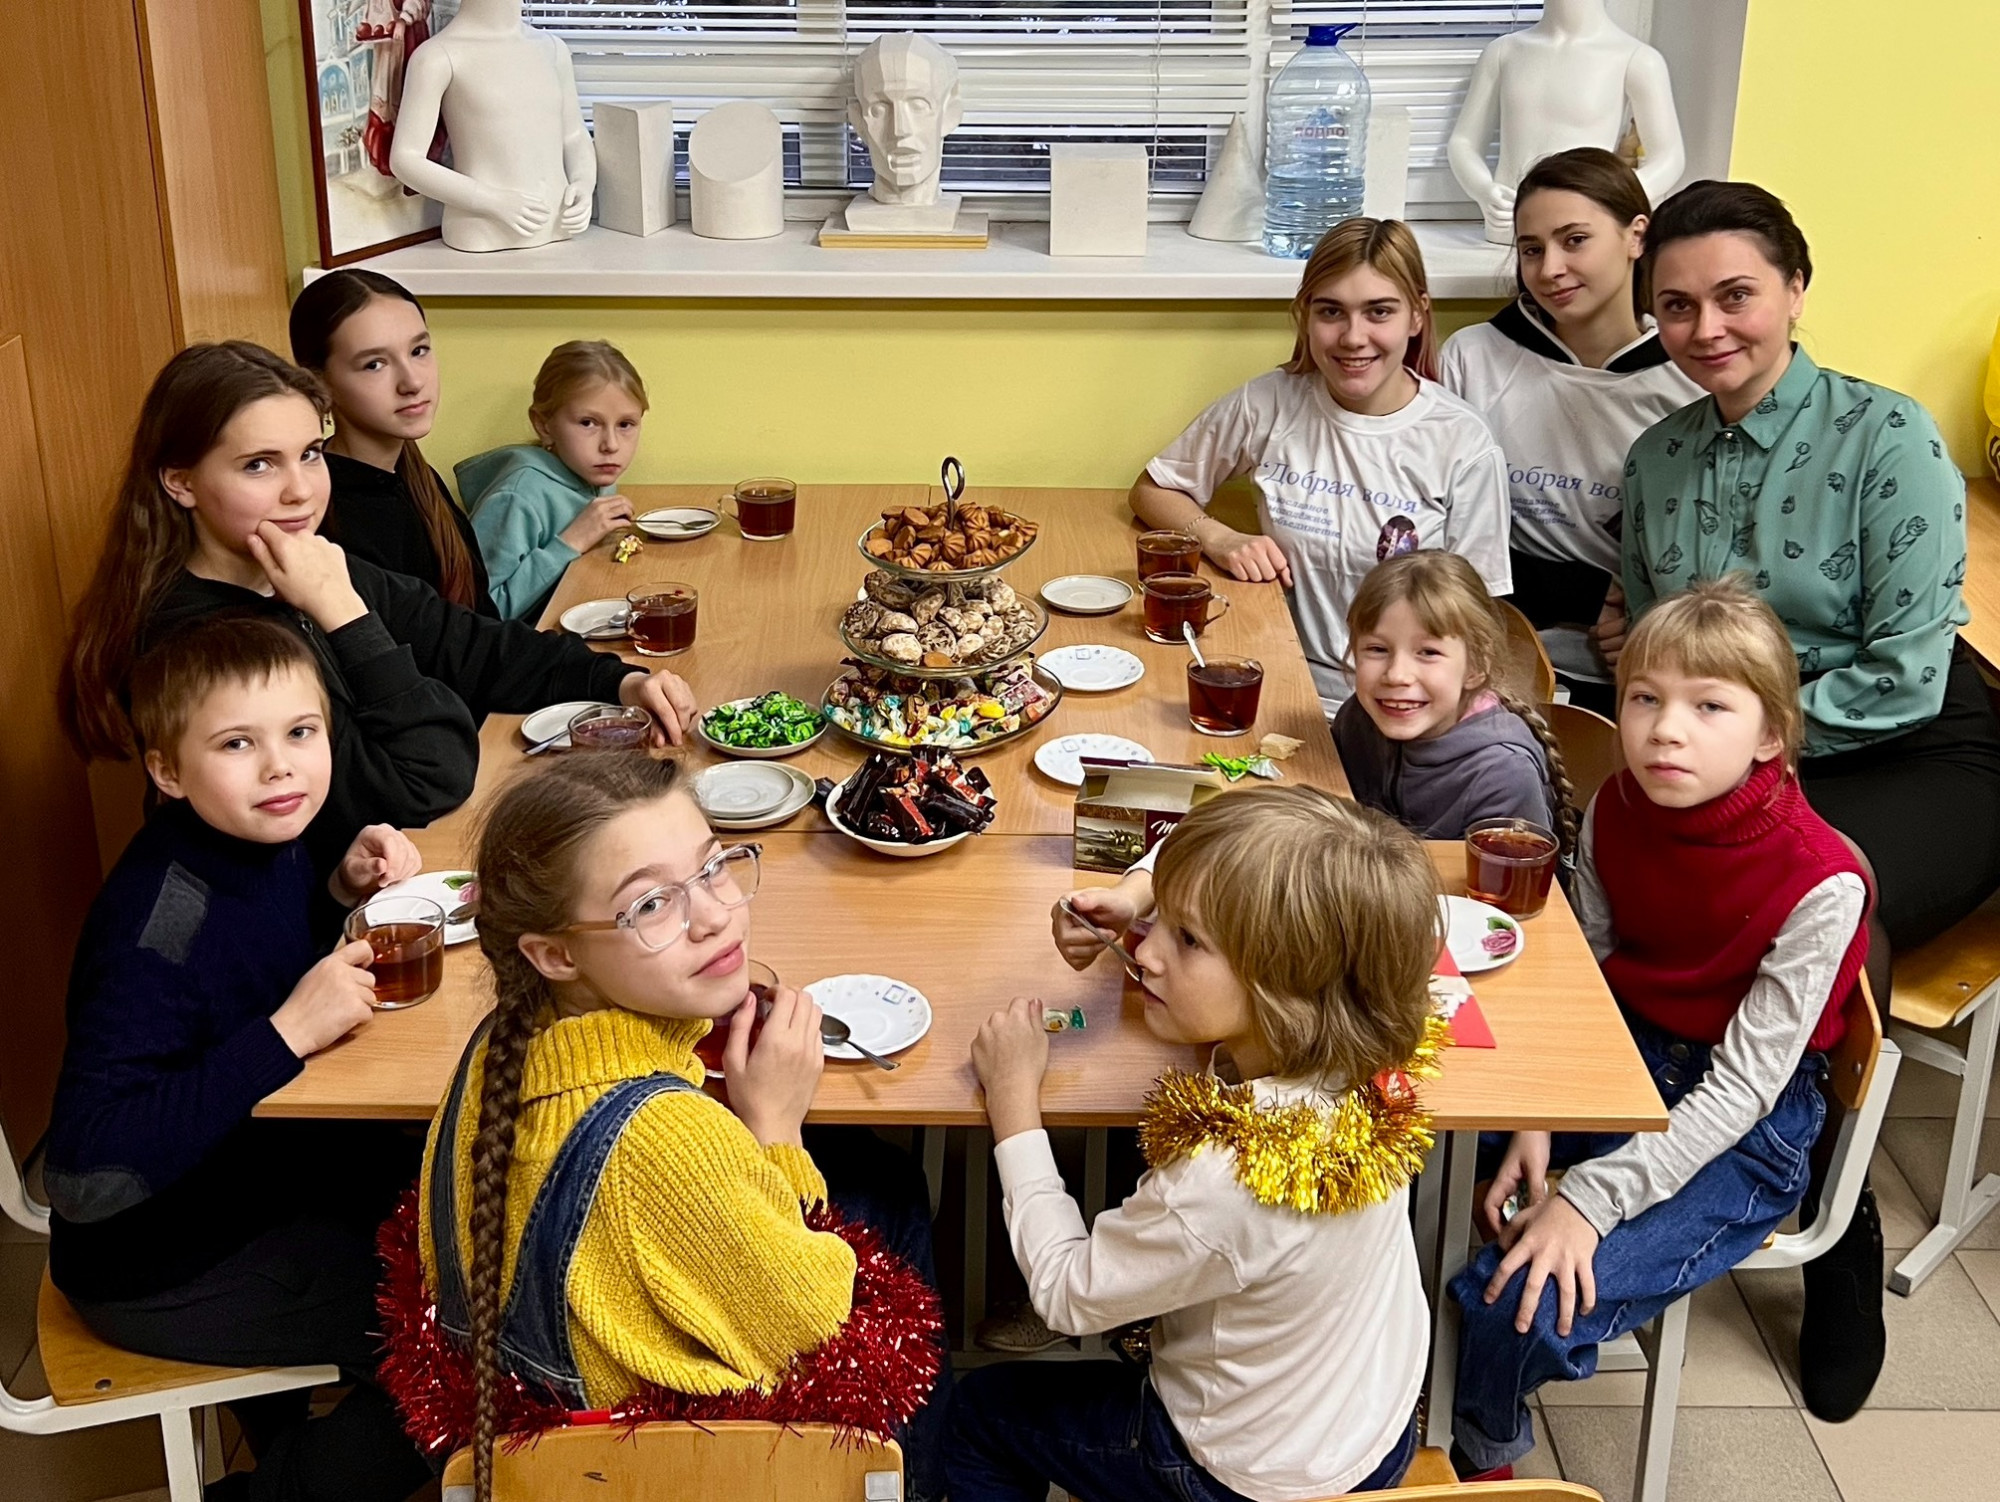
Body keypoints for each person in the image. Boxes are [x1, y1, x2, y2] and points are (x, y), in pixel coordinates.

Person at [393, 752, 948, 1502]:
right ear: (554, 953)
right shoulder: (666, 1147)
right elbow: (822, 1332)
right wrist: (777, 1131)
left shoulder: (497, 1047)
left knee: (878, 1176)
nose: (714, 916)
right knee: (895, 1193)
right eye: (652, 904)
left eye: (713, 868)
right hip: (688, 1474)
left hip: (538, 1445)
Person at [1447, 579, 1870, 1477]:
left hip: (1747, 1125)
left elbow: (1741, 1093)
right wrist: (1537, 1115)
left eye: (1708, 706)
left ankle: (1478, 1455)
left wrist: (1588, 1200)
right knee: (1414, 1139)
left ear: (1770, 734)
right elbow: (1585, 976)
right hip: (1621, 1047)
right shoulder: (1617, 806)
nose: (1665, 730)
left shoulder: (1823, 882)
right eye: (1645, 698)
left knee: (1515, 1301)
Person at [950, 787, 1442, 1501]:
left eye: (1187, 939)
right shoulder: (1365, 1048)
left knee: (978, 1414)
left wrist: (1014, 1103)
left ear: (1282, 987)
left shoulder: (1226, 1180)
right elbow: (1216, 850)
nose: (1144, 949)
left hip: (1241, 1475)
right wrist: (1134, 895)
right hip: (1373, 1423)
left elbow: (1064, 1294)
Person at [44, 617, 433, 1502]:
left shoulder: (259, 837)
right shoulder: (160, 925)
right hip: (164, 1261)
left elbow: (249, 957)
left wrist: (338, 888)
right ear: (167, 772)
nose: (280, 767)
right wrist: (285, 1034)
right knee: (469, 1338)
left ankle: (291, 1435)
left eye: (300, 732)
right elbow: (84, 1175)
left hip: (260, 1180)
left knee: (471, 1213)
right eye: (236, 744)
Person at [59, 341, 697, 872]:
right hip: (313, 931)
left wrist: (617, 680)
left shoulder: (303, 561)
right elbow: (429, 777)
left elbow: (466, 642)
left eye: (310, 454)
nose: (300, 490)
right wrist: (344, 612)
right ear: (181, 482)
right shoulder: (201, 640)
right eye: (258, 465)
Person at [1621, 178, 2000, 956]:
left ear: (1795, 289)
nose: (1707, 328)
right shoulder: (1653, 458)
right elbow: (1650, 642)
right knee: (1618, 884)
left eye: (1735, 296)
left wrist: (1737, 744)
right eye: (1678, 306)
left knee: (1802, 908)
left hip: (1908, 755)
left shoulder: (1888, 435)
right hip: (1723, 759)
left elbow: (1907, 674)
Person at [1132, 217, 1512, 717]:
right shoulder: (1270, 402)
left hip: (1396, 708)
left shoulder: (1463, 441)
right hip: (1276, 683)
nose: (1353, 337)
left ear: (1417, 316)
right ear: (1304, 315)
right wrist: (1220, 538)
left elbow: (1478, 623)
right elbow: (1153, 489)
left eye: (1379, 312)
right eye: (1331, 311)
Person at [1439, 147, 1701, 713]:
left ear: (1636, 236)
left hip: (1637, 676)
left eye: (1574, 240)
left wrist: (1652, 621)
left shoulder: (1693, 381)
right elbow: (1441, 530)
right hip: (1489, 665)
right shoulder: (1474, 357)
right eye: (1531, 249)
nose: (1550, 269)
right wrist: (1580, 593)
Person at [1335, 550, 1578, 851]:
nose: (1396, 675)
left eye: (1428, 652)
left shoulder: (1503, 775)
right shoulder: (1358, 719)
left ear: (1476, 665)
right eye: (1377, 649)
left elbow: (1508, 879)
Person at [290, 268, 496, 615]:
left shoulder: (417, 476)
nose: (412, 382)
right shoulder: (328, 515)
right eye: (374, 364)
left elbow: (479, 618)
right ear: (318, 383)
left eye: (419, 350)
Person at [459, 339, 648, 620]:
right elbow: (478, 614)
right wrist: (571, 541)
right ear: (543, 425)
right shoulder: (516, 498)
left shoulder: (594, 473)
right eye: (588, 423)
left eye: (625, 424)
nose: (611, 444)